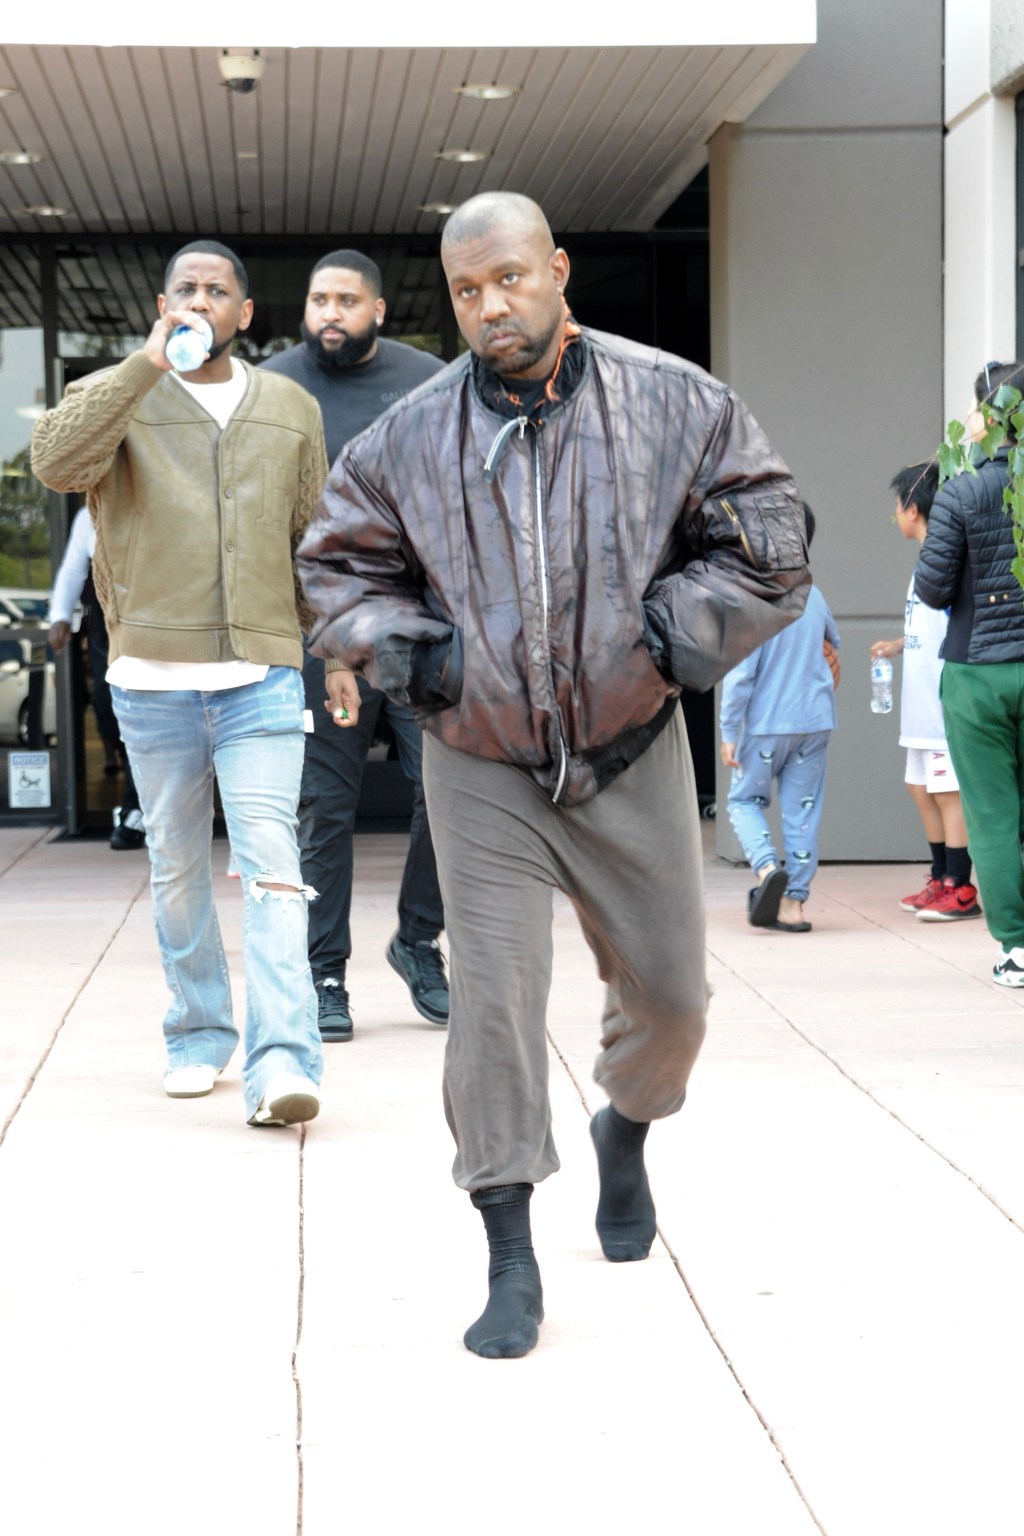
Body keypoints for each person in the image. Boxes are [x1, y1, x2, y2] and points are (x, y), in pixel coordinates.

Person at [298, 191, 809, 1358]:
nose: (492, 307)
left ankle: (625, 1127)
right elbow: (336, 569)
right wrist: (419, 657)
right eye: (468, 291)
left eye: (511, 280)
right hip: (480, 757)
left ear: (558, 271)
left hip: (628, 741)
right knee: (491, 1004)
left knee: (674, 1001)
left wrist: (669, 641)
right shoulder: (406, 439)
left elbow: (769, 532)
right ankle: (510, 1247)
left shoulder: (675, 400)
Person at [31, 240, 326, 1126]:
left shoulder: (290, 406)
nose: (201, 300)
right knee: (178, 872)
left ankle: (283, 1064)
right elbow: (55, 462)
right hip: (151, 681)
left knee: (272, 867)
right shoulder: (120, 392)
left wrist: (339, 653)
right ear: (165, 306)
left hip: (262, 677)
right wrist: (146, 365)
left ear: (244, 313)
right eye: (186, 289)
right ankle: (198, 1035)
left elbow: (312, 537)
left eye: (218, 290)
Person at [261, 251, 448, 1043]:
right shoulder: (272, 387)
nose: (328, 312)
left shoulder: (430, 378)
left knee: (444, 789)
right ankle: (323, 971)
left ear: (377, 309)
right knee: (325, 809)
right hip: (319, 631)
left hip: (416, 625)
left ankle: (417, 941)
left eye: (345, 300)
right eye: (317, 299)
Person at [914, 359, 1024, 985]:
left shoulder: (962, 489)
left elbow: (930, 590)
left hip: (977, 671)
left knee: (991, 814)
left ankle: (1017, 947)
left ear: (986, 417)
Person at [720, 505, 839, 934]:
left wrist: (729, 731)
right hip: (814, 720)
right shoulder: (814, 594)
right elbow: (833, 644)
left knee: (742, 801)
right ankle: (794, 906)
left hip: (766, 723)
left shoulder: (752, 600)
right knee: (802, 814)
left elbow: (740, 676)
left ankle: (768, 869)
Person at [870, 463, 980, 921]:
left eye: (895, 507)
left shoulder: (949, 555)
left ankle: (960, 887)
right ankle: (940, 876)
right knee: (919, 786)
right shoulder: (926, 560)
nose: (894, 515)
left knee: (948, 790)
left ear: (912, 509)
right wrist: (898, 646)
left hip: (939, 699)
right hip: (917, 701)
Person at [48, 504, 146, 850]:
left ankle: (137, 810)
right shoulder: (89, 515)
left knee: (146, 714)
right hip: (108, 626)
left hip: (155, 620)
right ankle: (141, 799)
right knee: (109, 715)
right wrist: (60, 615)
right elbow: (73, 568)